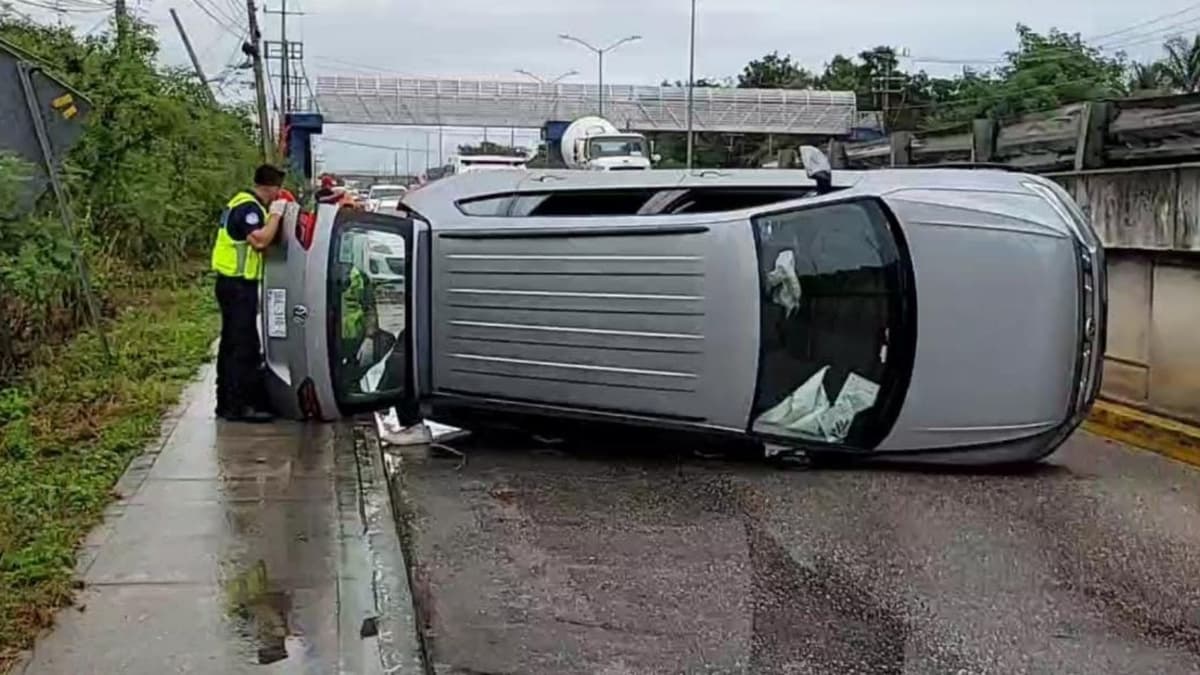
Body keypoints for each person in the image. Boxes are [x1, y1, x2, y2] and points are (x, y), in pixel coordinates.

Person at [211, 164, 288, 422]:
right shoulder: (249, 208)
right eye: (278, 191)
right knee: (242, 348)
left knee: (233, 345)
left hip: (235, 285)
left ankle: (227, 404)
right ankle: (239, 407)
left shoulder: (241, 202)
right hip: (236, 286)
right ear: (272, 188)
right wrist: (276, 216)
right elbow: (259, 241)